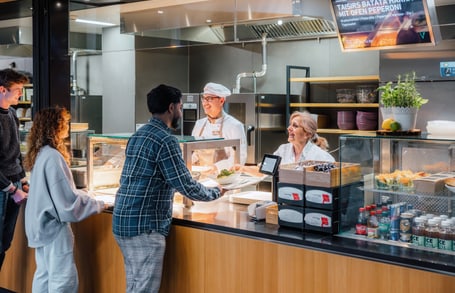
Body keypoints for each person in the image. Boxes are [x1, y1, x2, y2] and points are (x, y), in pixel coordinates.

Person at [112, 84, 224, 293]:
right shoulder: (166, 140)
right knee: (143, 290)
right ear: (172, 108)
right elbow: (186, 185)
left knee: (135, 287)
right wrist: (217, 191)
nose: (181, 112)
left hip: (123, 220)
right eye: (181, 107)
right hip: (145, 226)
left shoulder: (138, 134)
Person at [23, 107, 107, 292]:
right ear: (55, 126)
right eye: (64, 122)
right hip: (54, 228)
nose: (67, 126)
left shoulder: (41, 154)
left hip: (40, 226)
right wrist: (98, 203)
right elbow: (66, 203)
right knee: (62, 278)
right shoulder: (53, 157)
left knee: (44, 275)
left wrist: (85, 195)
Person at [0, 68, 29, 270]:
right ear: (2, 89)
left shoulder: (11, 114)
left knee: (4, 243)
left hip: (15, 184)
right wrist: (11, 188)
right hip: (3, 187)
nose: (21, 93)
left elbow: (16, 152)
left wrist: (23, 180)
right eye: (18, 89)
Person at [191, 82, 247, 171]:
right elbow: (195, 153)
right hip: (202, 177)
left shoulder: (235, 126)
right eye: (203, 99)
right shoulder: (199, 124)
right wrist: (188, 163)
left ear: (221, 100)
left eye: (209, 99)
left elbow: (240, 157)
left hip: (224, 177)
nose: (205, 103)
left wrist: (216, 167)